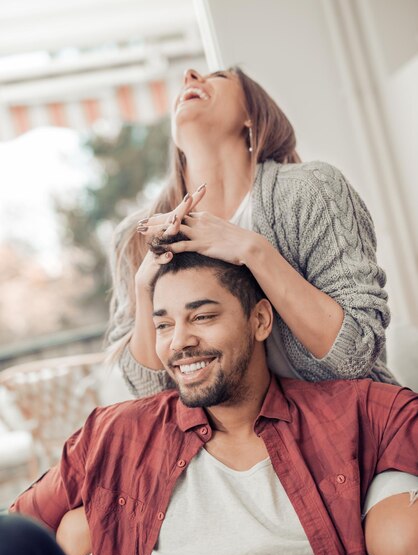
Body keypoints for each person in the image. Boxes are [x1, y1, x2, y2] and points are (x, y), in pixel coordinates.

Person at [10, 243, 418, 555]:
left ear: (259, 320)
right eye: (164, 324)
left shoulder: (349, 412)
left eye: (202, 316)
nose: (180, 341)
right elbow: (15, 530)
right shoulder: (116, 433)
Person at [107, 66, 397, 399]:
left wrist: (252, 249)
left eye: (217, 77)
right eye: (187, 80)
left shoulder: (311, 190)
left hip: (350, 425)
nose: (189, 76)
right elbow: (149, 390)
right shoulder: (135, 237)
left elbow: (355, 354)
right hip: (237, 445)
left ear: (252, 114)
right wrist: (145, 285)